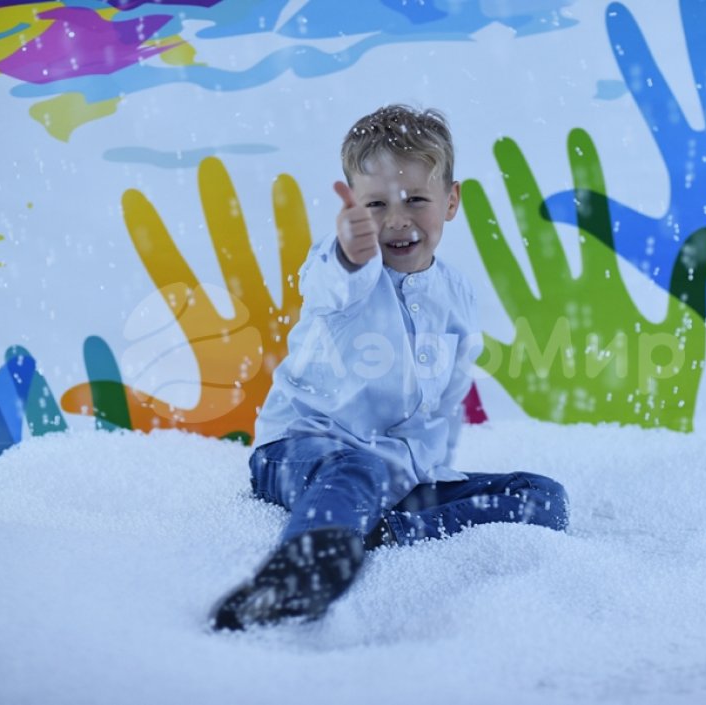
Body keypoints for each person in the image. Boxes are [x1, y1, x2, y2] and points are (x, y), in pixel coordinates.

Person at [210, 104, 569, 631]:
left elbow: (441, 406)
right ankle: (303, 572)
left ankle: (387, 529)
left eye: (416, 199)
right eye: (376, 204)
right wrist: (349, 253)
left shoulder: (457, 293)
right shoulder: (346, 271)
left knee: (541, 497)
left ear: (451, 201)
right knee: (358, 469)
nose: (397, 219)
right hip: (300, 450)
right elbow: (330, 282)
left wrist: (429, 472)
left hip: (399, 475)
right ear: (354, 207)